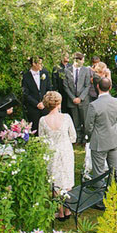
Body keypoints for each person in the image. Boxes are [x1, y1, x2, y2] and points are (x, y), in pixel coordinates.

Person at [38, 91, 76, 221]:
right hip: (65, 150)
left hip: (51, 151)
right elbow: (73, 137)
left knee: (55, 181)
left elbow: (41, 139)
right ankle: (68, 210)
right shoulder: (66, 117)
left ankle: (59, 212)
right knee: (67, 179)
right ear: (58, 103)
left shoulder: (43, 120)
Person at [84, 77, 117, 181]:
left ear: (98, 86)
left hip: (99, 141)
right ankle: (115, 188)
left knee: (99, 171)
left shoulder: (93, 105)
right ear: (110, 87)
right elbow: (116, 118)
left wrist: (91, 136)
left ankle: (99, 192)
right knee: (114, 168)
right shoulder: (116, 101)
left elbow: (88, 126)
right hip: (113, 138)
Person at [63, 52, 91, 145]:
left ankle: (85, 138)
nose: (83, 61)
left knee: (84, 120)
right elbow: (65, 86)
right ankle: (77, 138)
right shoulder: (67, 70)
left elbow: (87, 85)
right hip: (72, 100)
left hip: (83, 100)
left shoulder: (86, 70)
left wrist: (80, 98)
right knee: (76, 121)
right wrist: (73, 98)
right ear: (77, 60)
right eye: (82, 60)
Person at [22, 57, 51, 133]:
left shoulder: (45, 73)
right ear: (34, 64)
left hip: (45, 106)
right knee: (35, 129)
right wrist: (36, 104)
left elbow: (49, 88)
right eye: (40, 63)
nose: (42, 65)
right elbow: (25, 93)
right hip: (33, 108)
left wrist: (44, 102)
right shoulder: (26, 76)